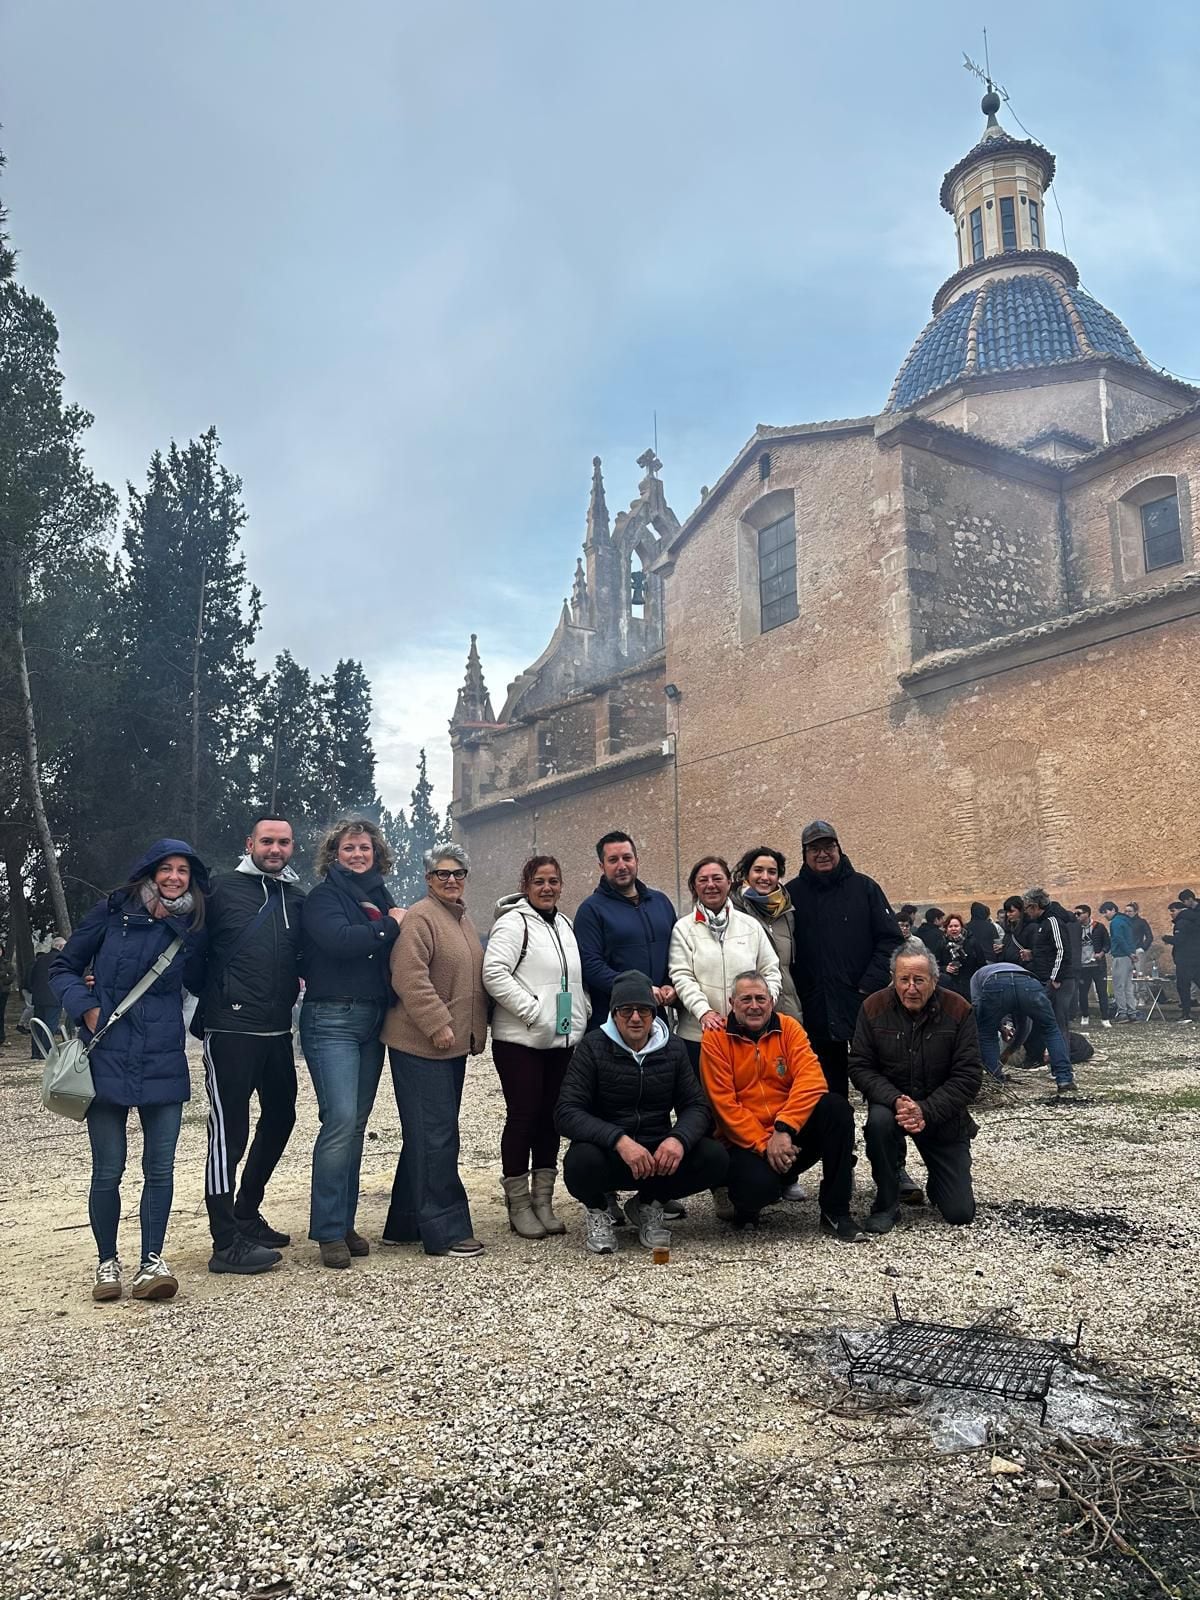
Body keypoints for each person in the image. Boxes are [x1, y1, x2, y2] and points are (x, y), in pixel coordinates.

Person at [49, 839, 209, 1302]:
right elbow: (64, 967)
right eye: (167, 868)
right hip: (106, 1053)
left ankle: (151, 1261)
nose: (175, 877)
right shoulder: (111, 913)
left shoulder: (194, 925)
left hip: (163, 1057)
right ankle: (106, 1263)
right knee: (108, 1170)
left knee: (160, 1169)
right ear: (149, 871)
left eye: (184, 870)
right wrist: (87, 1008)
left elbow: (206, 977)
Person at [185, 814, 307, 1276]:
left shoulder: (296, 897)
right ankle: (224, 1241)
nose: (275, 849)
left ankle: (246, 1211)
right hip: (230, 1031)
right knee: (228, 1132)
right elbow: (192, 956)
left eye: (284, 842)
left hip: (277, 1032)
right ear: (249, 842)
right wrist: (220, 997)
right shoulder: (219, 891)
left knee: (282, 1117)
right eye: (267, 841)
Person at [555, 970, 728, 1254]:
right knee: (578, 1163)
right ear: (614, 1013)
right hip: (610, 1152)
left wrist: (678, 1140)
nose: (636, 1018)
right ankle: (598, 1210)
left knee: (715, 1156)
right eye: (626, 1010)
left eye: (644, 1010)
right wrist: (619, 1140)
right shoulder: (592, 1047)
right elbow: (566, 1111)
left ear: (653, 1012)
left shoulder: (672, 1047)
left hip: (655, 1155)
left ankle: (649, 1204)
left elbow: (697, 1106)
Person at [300, 818, 404, 1268]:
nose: (358, 854)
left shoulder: (380, 896)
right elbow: (341, 942)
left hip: (371, 1020)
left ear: (375, 853)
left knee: (356, 1125)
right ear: (334, 855)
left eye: (364, 847)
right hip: (331, 1018)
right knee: (340, 1120)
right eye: (349, 848)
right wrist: (391, 928)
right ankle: (326, 1229)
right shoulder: (324, 897)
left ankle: (343, 1221)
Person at [700, 972, 865, 1241]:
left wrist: (784, 1129)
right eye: (746, 999)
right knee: (756, 1192)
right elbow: (724, 1104)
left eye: (760, 998)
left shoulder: (789, 1028)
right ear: (732, 1002)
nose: (754, 1005)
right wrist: (766, 1145)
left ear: (772, 1000)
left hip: (787, 1133)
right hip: (747, 1142)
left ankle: (836, 1211)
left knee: (836, 1108)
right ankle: (741, 1200)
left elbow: (812, 1080)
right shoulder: (715, 1038)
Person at [383, 842, 487, 1258]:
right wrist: (438, 1023)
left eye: (458, 873)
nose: (451, 880)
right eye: (442, 874)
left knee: (425, 1136)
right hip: (422, 1045)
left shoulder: (460, 918)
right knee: (438, 1137)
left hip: (450, 1047)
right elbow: (408, 976)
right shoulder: (422, 917)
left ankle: (406, 1223)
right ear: (428, 879)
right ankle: (445, 1231)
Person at [482, 854, 589, 1240]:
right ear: (525, 885)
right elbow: (494, 973)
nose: (547, 888)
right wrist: (532, 1011)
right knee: (524, 1116)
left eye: (554, 881)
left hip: (560, 1038)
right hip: (520, 1039)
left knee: (551, 1118)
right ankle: (519, 1204)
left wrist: (582, 1009)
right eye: (539, 881)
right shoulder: (513, 924)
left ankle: (544, 1200)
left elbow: (572, 977)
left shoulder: (564, 923)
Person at [849, 940, 982, 1234]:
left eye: (919, 980)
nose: (911, 987)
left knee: (959, 1213)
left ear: (934, 980)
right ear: (893, 979)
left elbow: (969, 1075)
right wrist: (896, 1100)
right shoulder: (872, 1007)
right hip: (892, 1107)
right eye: (904, 979)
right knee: (879, 1122)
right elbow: (860, 1066)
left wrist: (925, 1110)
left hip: (941, 1112)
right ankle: (886, 1202)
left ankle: (939, 1179)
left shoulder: (959, 1010)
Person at [783, 820, 903, 1100]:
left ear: (839, 848)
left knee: (877, 1078)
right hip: (816, 1006)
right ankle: (839, 1142)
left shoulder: (864, 888)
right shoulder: (792, 895)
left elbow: (892, 940)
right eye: (814, 849)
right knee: (827, 1086)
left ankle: (881, 1136)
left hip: (863, 1001)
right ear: (804, 854)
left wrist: (868, 985)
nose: (822, 854)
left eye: (828, 846)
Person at [669, 854, 781, 1069]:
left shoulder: (750, 925)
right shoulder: (683, 929)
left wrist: (766, 1003)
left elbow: (770, 970)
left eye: (717, 878)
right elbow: (682, 976)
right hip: (698, 1036)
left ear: (729, 883)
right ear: (694, 886)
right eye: (703, 880)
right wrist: (704, 1012)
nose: (711, 885)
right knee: (703, 1100)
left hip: (747, 1034)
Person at [574, 831, 678, 1027]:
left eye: (627, 858)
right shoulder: (591, 910)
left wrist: (669, 984)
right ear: (601, 866)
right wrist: (639, 989)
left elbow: (675, 953)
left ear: (637, 861)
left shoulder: (661, 902)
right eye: (613, 860)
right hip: (612, 1020)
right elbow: (591, 966)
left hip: (656, 1018)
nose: (621, 866)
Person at [970, 960, 1077, 1091]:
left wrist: (998, 1031)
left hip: (995, 984)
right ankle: (1064, 1080)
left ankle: (995, 1080)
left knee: (987, 1033)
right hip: (1028, 983)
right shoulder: (1017, 969)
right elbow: (1025, 1026)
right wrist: (1010, 1047)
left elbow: (979, 1010)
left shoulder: (976, 977)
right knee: (1051, 1029)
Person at [731, 847, 803, 1021]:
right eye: (758, 870)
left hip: (787, 1009)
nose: (765, 877)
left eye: (772, 872)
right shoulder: (733, 912)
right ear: (746, 874)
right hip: (749, 1013)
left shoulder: (786, 912)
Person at [1021, 888, 1078, 1053]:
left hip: (1060, 980)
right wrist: (1033, 954)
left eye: (1026, 908)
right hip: (1051, 977)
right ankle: (1054, 1056)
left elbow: (1062, 950)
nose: (1026, 912)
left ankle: (1062, 1060)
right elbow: (1049, 950)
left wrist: (1055, 978)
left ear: (1034, 906)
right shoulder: (1043, 924)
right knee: (1051, 1020)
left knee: (1059, 1022)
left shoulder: (1053, 921)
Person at [1163, 892, 1200, 1025]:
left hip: (1184, 959)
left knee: (1183, 987)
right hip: (1196, 957)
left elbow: (1180, 940)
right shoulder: (1195, 918)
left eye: (1173, 911)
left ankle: (1186, 1013)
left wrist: (1167, 938)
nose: (1171, 914)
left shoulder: (1182, 922)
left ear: (1180, 909)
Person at [1073, 905, 1111, 1029]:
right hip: (1083, 965)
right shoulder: (1075, 928)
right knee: (1083, 993)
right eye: (1076, 914)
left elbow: (1107, 943)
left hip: (1097, 965)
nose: (1077, 916)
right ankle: (1085, 1015)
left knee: (1102, 992)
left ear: (1087, 914)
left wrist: (1101, 952)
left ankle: (1105, 1017)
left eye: (1079, 913)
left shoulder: (1099, 927)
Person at [27, 937, 66, 1060]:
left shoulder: (40, 959)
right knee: (50, 1025)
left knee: (38, 1025)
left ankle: (35, 1052)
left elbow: (31, 977)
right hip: (53, 997)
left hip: (39, 997)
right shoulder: (62, 960)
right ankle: (47, 1052)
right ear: (60, 947)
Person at [1100, 901, 1137, 1023]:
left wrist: (1128, 952)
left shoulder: (1115, 922)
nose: (1105, 915)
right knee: (1128, 986)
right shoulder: (1126, 921)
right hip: (1128, 956)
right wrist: (1132, 953)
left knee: (1118, 986)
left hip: (1121, 956)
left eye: (1105, 912)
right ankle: (1132, 1012)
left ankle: (1122, 1013)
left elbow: (1118, 938)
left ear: (1112, 910)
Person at [940, 914, 971, 999]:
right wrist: (945, 968)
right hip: (950, 986)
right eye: (950, 926)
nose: (953, 929)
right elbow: (935, 965)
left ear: (961, 927)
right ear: (946, 929)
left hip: (968, 984)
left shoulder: (970, 942)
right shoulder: (942, 944)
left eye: (956, 926)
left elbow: (979, 963)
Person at [1126, 901, 1154, 979]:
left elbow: (1149, 936)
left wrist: (1143, 948)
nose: (1127, 913)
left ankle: (1141, 990)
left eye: (1130, 911)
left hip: (1137, 950)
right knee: (1127, 974)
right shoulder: (1124, 923)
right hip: (1126, 951)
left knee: (1140, 973)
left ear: (1136, 912)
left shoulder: (1141, 922)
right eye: (1126, 911)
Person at [999, 896, 1029, 964]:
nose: (1008, 914)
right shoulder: (1009, 929)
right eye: (1007, 912)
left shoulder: (1030, 928)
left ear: (1021, 911)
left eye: (1011, 911)